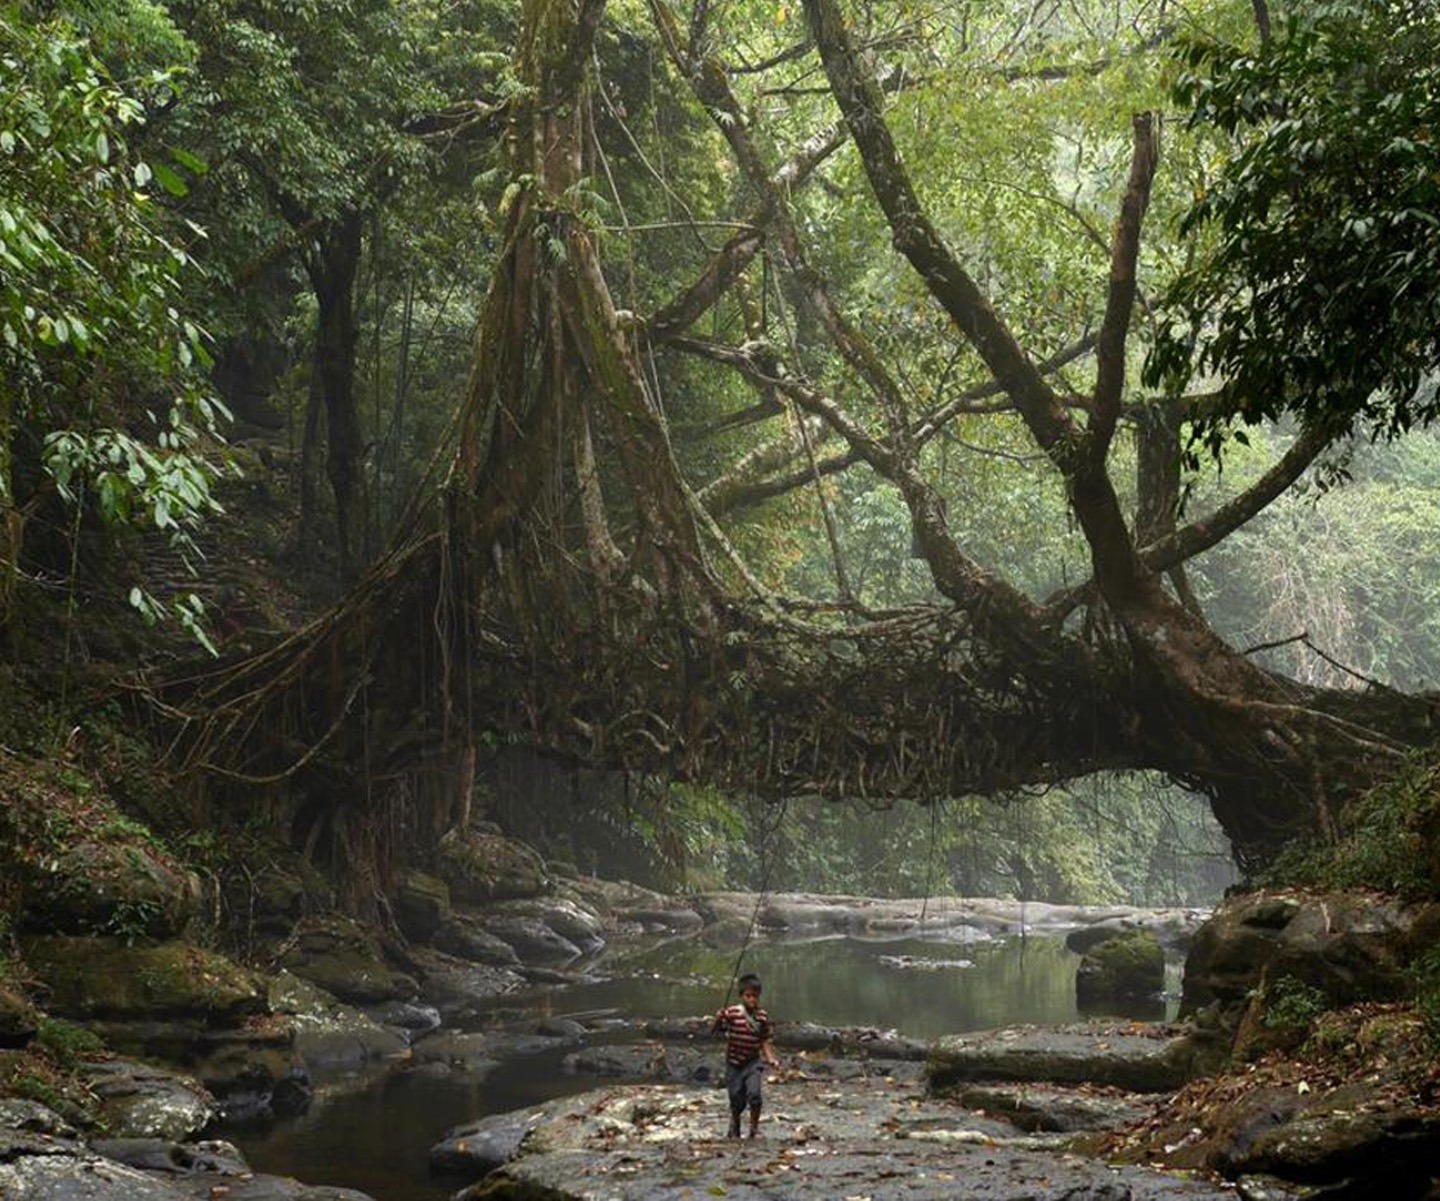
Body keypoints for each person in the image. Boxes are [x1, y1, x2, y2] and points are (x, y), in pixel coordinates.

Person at [711, 972, 779, 1138]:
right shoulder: (732, 1013)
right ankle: (735, 1123)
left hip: (752, 1062)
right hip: (734, 1063)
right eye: (748, 996)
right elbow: (715, 1031)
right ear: (741, 996)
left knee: (755, 1095)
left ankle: (754, 1129)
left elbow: (764, 1040)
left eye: (755, 996)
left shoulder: (762, 1016)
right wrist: (719, 1018)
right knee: (736, 1098)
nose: (752, 1000)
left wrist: (770, 1058)